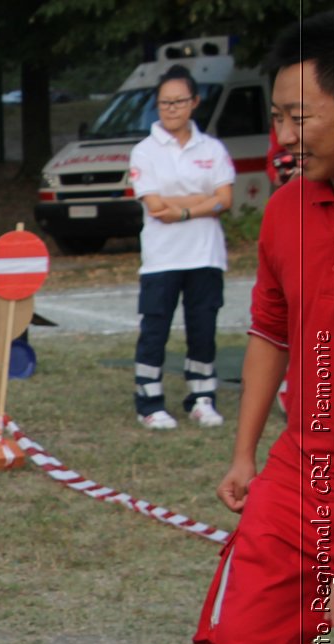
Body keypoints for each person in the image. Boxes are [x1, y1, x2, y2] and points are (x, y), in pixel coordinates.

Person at [195, 11, 334, 644]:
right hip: (306, 459)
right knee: (248, 635)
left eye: (299, 115)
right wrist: (246, 449)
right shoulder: (286, 209)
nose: (283, 133)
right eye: (277, 115)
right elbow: (270, 330)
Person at [128, 64, 234, 431]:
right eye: (163, 103)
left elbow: (225, 198)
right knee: (155, 330)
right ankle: (149, 401)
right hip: (161, 260)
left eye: (178, 102)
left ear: (194, 103)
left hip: (206, 256)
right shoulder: (144, 152)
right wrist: (201, 202)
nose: (171, 109)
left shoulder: (213, 148)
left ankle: (202, 399)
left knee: (203, 329)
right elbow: (156, 208)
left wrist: (184, 207)